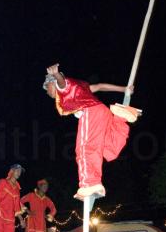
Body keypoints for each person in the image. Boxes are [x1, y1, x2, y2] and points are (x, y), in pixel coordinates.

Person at [44, 63, 141, 200]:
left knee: (84, 148)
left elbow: (61, 83)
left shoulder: (63, 88)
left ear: (51, 84)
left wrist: (56, 74)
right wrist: (124, 89)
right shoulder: (80, 86)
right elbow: (100, 86)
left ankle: (89, 183)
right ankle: (120, 118)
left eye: (46, 88)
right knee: (108, 150)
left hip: (91, 113)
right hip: (103, 112)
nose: (47, 92)